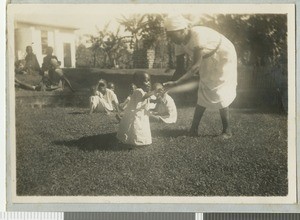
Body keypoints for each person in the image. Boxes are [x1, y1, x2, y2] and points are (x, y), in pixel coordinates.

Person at [163, 15, 237, 139]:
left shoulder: (197, 35)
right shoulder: (178, 43)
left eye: (173, 35)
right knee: (203, 89)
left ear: (183, 30)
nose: (171, 39)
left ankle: (227, 131)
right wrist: (168, 86)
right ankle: (193, 130)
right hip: (208, 58)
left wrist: (176, 83)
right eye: (169, 35)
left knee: (219, 91)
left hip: (223, 55)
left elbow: (195, 67)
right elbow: (180, 69)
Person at [116, 72, 154, 146]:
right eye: (146, 81)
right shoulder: (138, 91)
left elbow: (148, 99)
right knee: (135, 128)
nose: (148, 83)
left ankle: (142, 140)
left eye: (149, 80)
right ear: (138, 83)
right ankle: (133, 141)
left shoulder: (144, 92)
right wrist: (154, 91)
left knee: (141, 127)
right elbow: (144, 97)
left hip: (141, 114)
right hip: (135, 114)